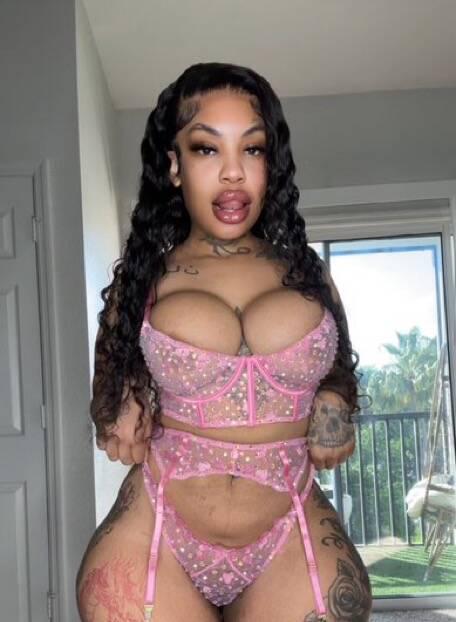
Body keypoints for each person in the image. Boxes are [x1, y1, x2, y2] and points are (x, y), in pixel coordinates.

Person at [76, 62, 372, 622]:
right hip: (160, 534)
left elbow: (339, 370)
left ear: (270, 164)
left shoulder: (309, 274)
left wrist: (334, 401)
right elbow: (107, 403)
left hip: (288, 529)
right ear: (174, 165)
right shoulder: (141, 280)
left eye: (252, 149)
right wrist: (121, 401)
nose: (233, 173)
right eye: (207, 149)